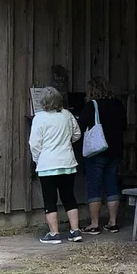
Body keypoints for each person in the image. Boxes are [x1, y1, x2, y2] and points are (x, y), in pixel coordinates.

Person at [31, 88, 83, 243]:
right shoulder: (67, 115)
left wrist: (37, 160)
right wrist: (66, 143)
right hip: (67, 162)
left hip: (47, 165)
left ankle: (54, 234)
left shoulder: (39, 118)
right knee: (69, 197)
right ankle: (75, 231)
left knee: (50, 200)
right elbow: (77, 134)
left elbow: (35, 143)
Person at [77, 77, 127, 234]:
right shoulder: (118, 104)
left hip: (96, 151)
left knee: (94, 186)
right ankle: (112, 222)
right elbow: (124, 125)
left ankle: (94, 223)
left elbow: (80, 127)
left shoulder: (91, 106)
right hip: (115, 150)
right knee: (112, 185)